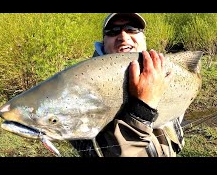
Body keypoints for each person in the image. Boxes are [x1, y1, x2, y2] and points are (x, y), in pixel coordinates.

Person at [69, 13, 185, 157]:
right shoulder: (80, 90)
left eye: (132, 28)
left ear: (144, 38)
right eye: (113, 31)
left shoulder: (162, 72)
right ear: (103, 43)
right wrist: (141, 111)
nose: (123, 37)